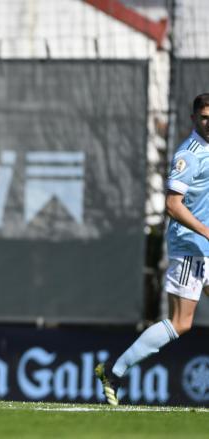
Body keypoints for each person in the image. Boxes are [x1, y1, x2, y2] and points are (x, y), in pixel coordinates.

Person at [95, 93, 209, 406]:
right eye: (204, 117)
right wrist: (205, 231)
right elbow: (173, 205)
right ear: (194, 119)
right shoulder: (190, 154)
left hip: (205, 247)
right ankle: (113, 371)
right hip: (192, 247)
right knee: (180, 323)